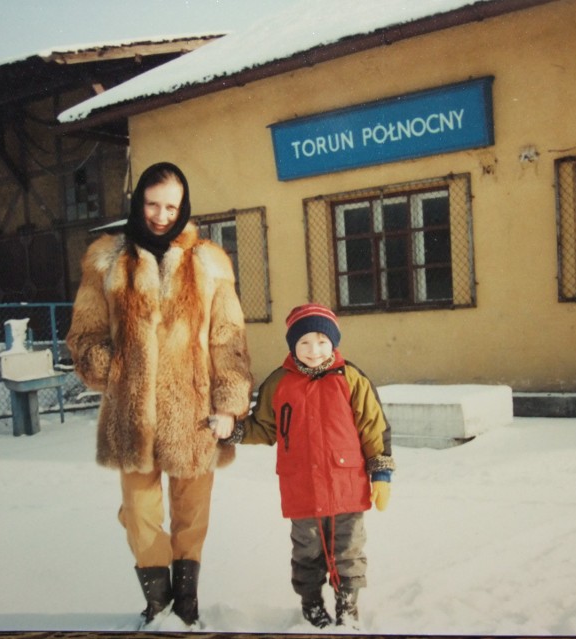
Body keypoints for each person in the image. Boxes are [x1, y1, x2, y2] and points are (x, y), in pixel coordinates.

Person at [66, 161, 252, 628]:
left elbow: (227, 336)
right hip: (132, 414)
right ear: (138, 201)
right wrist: (113, 371)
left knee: (192, 512)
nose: (162, 214)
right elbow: (84, 331)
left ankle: (186, 604)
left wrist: (229, 403)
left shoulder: (209, 262)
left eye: (171, 205)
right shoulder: (106, 259)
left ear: (183, 205)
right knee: (140, 512)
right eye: (152, 203)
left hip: (194, 409)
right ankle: (158, 603)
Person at [219, 303, 395, 629]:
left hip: (347, 486)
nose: (314, 351)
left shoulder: (351, 379)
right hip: (301, 488)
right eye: (304, 343)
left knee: (349, 550)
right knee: (307, 551)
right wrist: (234, 432)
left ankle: (348, 608)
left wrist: (381, 474)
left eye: (322, 341)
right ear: (292, 345)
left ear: (334, 342)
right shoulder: (280, 382)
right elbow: (265, 428)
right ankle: (311, 605)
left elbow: (374, 428)